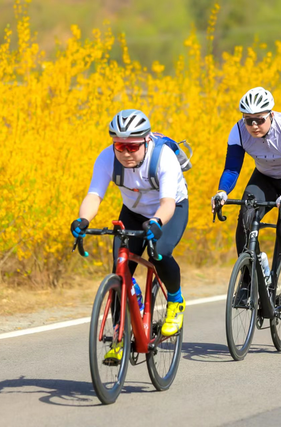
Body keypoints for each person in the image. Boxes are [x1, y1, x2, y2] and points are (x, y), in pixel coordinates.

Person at [71, 109, 188, 363]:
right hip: (133, 212)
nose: (125, 153)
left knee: (159, 252)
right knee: (119, 272)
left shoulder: (163, 158)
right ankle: (119, 339)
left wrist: (156, 222)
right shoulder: (106, 159)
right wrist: (83, 219)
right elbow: (94, 195)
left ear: (146, 141)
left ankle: (176, 301)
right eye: (119, 146)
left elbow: (167, 203)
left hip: (170, 210)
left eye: (132, 146)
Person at [212, 87, 281, 331]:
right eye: (249, 120)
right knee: (245, 218)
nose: (255, 125)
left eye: (260, 119)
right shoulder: (238, 131)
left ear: (271, 115)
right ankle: (248, 280)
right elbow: (232, 169)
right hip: (265, 177)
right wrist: (222, 191)